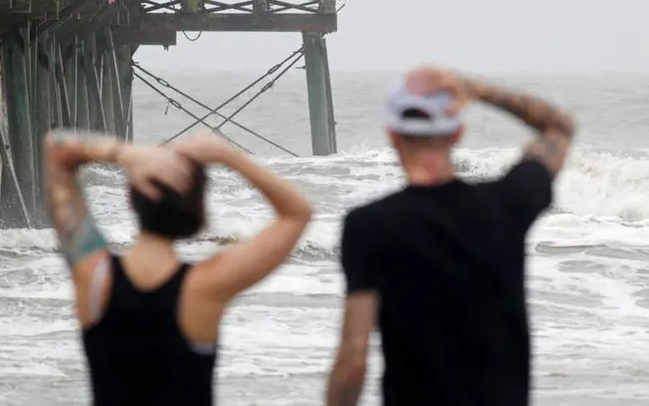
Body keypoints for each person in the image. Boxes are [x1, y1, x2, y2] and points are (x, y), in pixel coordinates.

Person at [326, 66, 576, 406]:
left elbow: (353, 358)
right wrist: (478, 89)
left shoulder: (369, 225)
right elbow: (559, 126)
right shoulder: (507, 203)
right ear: (457, 133)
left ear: (392, 134)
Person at [43, 131, 312, 405]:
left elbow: (56, 147)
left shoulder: (95, 276)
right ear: (201, 211)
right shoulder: (204, 287)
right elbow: (296, 213)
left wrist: (127, 154)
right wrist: (230, 157)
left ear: (130, 199)